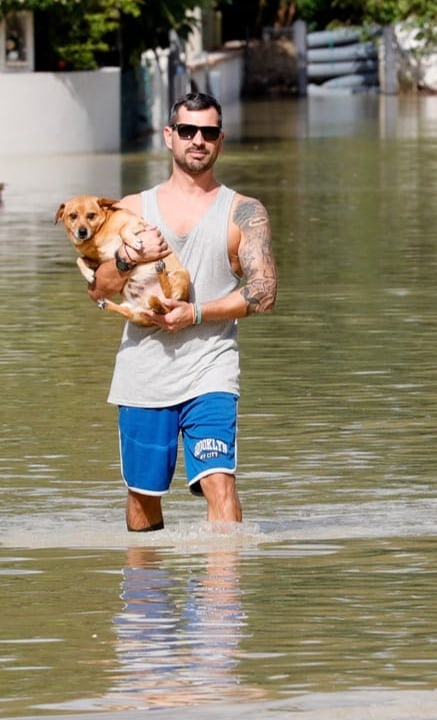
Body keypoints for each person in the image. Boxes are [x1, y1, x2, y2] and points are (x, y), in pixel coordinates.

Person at [89, 91, 277, 532]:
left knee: (220, 484)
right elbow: (98, 291)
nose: (198, 140)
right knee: (143, 499)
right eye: (188, 131)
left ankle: (222, 598)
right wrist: (125, 258)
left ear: (220, 140)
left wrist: (194, 314)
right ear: (169, 137)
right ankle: (146, 598)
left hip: (210, 371)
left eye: (208, 132)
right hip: (143, 375)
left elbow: (264, 293)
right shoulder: (130, 209)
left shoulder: (244, 212)